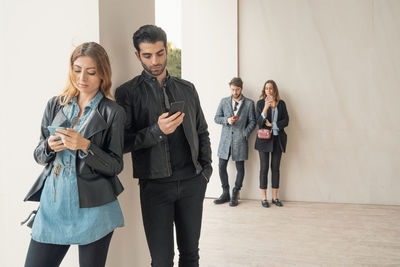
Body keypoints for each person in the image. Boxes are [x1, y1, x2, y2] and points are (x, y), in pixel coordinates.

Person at [115, 25, 212, 267]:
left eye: (159, 53)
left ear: (166, 50)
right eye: (147, 55)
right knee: (161, 261)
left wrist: (205, 172)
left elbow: (202, 131)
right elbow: (123, 143)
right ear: (137, 55)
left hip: (192, 182)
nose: (155, 60)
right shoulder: (127, 93)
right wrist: (156, 131)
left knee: (190, 255)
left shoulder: (187, 89)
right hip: (155, 187)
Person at [23, 42, 126, 267]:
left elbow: (116, 165)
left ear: (102, 75)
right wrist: (49, 147)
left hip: (94, 209)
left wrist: (86, 147)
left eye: (91, 72)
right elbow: (38, 155)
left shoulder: (113, 112)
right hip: (54, 205)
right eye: (77, 69)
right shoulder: (55, 105)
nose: (82, 78)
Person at [214, 77, 256, 206]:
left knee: (240, 168)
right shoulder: (224, 101)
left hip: (240, 140)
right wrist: (227, 120)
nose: (235, 92)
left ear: (241, 88)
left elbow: (253, 121)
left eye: (237, 89)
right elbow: (216, 118)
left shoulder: (249, 103)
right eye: (232, 89)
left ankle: (235, 193)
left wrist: (245, 133)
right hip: (225, 140)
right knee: (221, 166)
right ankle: (225, 193)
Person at [255, 80, 289, 208]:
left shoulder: (281, 104)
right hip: (263, 140)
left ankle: (275, 197)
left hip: (277, 139)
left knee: (275, 168)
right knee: (264, 169)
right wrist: (266, 107)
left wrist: (273, 125)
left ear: (275, 90)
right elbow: (259, 122)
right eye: (266, 88)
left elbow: (286, 120)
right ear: (264, 90)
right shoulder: (259, 104)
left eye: (270, 88)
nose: (268, 91)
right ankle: (264, 198)